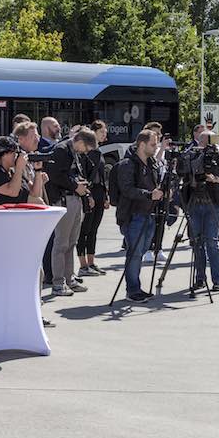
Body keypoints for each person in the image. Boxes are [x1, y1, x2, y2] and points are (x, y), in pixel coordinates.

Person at [44, 128, 98, 297]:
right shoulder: (61, 150)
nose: (86, 152)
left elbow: (72, 174)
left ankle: (69, 279)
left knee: (71, 242)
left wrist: (83, 189)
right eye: (86, 148)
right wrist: (76, 186)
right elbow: (55, 175)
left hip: (74, 199)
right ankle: (58, 283)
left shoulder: (72, 152)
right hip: (64, 200)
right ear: (80, 142)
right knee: (61, 244)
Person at [114, 129, 164, 302]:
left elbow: (155, 185)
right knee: (134, 253)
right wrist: (149, 195)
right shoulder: (127, 164)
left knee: (140, 252)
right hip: (133, 215)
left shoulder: (152, 163)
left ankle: (135, 287)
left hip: (149, 214)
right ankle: (133, 290)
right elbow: (127, 190)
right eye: (153, 144)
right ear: (142, 144)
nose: (156, 146)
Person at [185, 129, 219, 289]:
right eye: (200, 140)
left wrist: (217, 179)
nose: (202, 144)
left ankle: (217, 280)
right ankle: (200, 278)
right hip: (194, 202)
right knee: (197, 242)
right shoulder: (191, 155)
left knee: (212, 242)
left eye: (205, 141)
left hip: (213, 203)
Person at [76, 120, 110, 277]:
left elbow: (102, 177)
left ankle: (91, 262)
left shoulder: (99, 152)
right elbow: (83, 175)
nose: (105, 134)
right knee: (85, 229)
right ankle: (83, 265)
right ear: (93, 132)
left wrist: (105, 195)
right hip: (88, 193)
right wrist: (87, 194)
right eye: (102, 131)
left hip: (99, 192)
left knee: (94, 229)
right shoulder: (86, 152)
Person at [0, 135, 44, 206]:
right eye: (14, 153)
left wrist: (38, 170)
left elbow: (35, 194)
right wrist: (19, 168)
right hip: (4, 214)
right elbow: (13, 192)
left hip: (21, 213)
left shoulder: (13, 172)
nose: (16, 156)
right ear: (4, 154)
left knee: (39, 201)